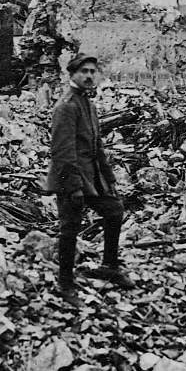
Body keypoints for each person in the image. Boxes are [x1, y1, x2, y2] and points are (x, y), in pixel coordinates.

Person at [45, 54, 131, 303]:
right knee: (70, 228)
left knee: (114, 211)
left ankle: (109, 266)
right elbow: (62, 152)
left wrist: (109, 179)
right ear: (72, 74)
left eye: (93, 71)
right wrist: (73, 187)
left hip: (91, 176)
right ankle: (65, 283)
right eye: (84, 71)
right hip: (70, 176)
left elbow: (97, 146)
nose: (89, 76)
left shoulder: (88, 104)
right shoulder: (66, 106)